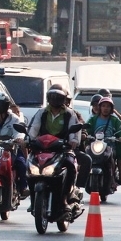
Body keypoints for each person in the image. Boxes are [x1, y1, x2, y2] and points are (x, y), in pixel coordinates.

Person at [27, 84, 90, 213]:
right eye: (52, 96)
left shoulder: (70, 114)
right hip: (43, 149)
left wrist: (73, 141)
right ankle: (33, 199)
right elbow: (33, 128)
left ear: (64, 99)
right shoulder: (42, 112)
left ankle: (66, 198)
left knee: (71, 165)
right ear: (48, 98)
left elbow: (74, 130)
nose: (55, 99)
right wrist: (27, 140)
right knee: (29, 166)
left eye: (58, 96)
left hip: (62, 149)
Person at [86, 97, 121, 187]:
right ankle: (84, 177)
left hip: (110, 147)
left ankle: (120, 177)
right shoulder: (93, 119)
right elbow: (86, 129)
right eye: (103, 106)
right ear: (100, 107)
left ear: (111, 109)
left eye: (108, 106)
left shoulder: (115, 120)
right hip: (95, 146)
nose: (105, 108)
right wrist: (84, 135)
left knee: (120, 153)